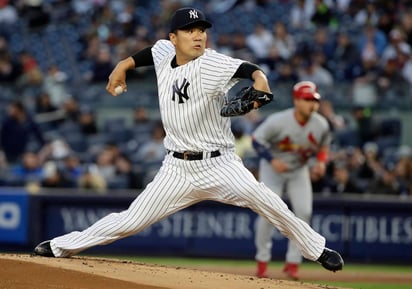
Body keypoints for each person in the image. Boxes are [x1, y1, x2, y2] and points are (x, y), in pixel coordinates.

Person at [32, 8, 344, 275]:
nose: (198, 36)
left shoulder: (211, 64)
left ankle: (316, 249)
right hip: (176, 169)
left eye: (202, 30)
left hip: (220, 164)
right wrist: (122, 66)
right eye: (189, 30)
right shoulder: (164, 52)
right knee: (129, 221)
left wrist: (261, 82)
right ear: (174, 38)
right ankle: (62, 246)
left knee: (266, 200)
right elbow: (146, 54)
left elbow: (251, 70)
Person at [252, 81, 332, 280]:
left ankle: (293, 264)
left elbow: (324, 147)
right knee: (267, 213)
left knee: (304, 212)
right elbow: (256, 140)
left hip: (298, 170)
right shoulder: (278, 121)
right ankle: (262, 262)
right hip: (273, 169)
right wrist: (272, 160)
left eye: (314, 100)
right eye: (306, 100)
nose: (311, 104)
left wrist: (321, 163)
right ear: (296, 100)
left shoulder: (321, 124)